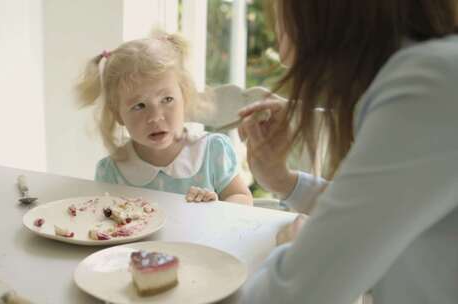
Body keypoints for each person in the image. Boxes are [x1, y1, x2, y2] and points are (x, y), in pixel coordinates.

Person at [238, 0, 458, 303]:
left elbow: (292, 295)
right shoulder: (432, 74)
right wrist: (284, 182)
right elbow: (379, 213)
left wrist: (297, 247)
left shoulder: (429, 85)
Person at [76, 31, 253, 205]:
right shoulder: (111, 172)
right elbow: (104, 218)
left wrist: (216, 206)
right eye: (139, 106)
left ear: (185, 98)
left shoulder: (212, 151)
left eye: (167, 100)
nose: (155, 117)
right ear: (118, 115)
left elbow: (243, 198)